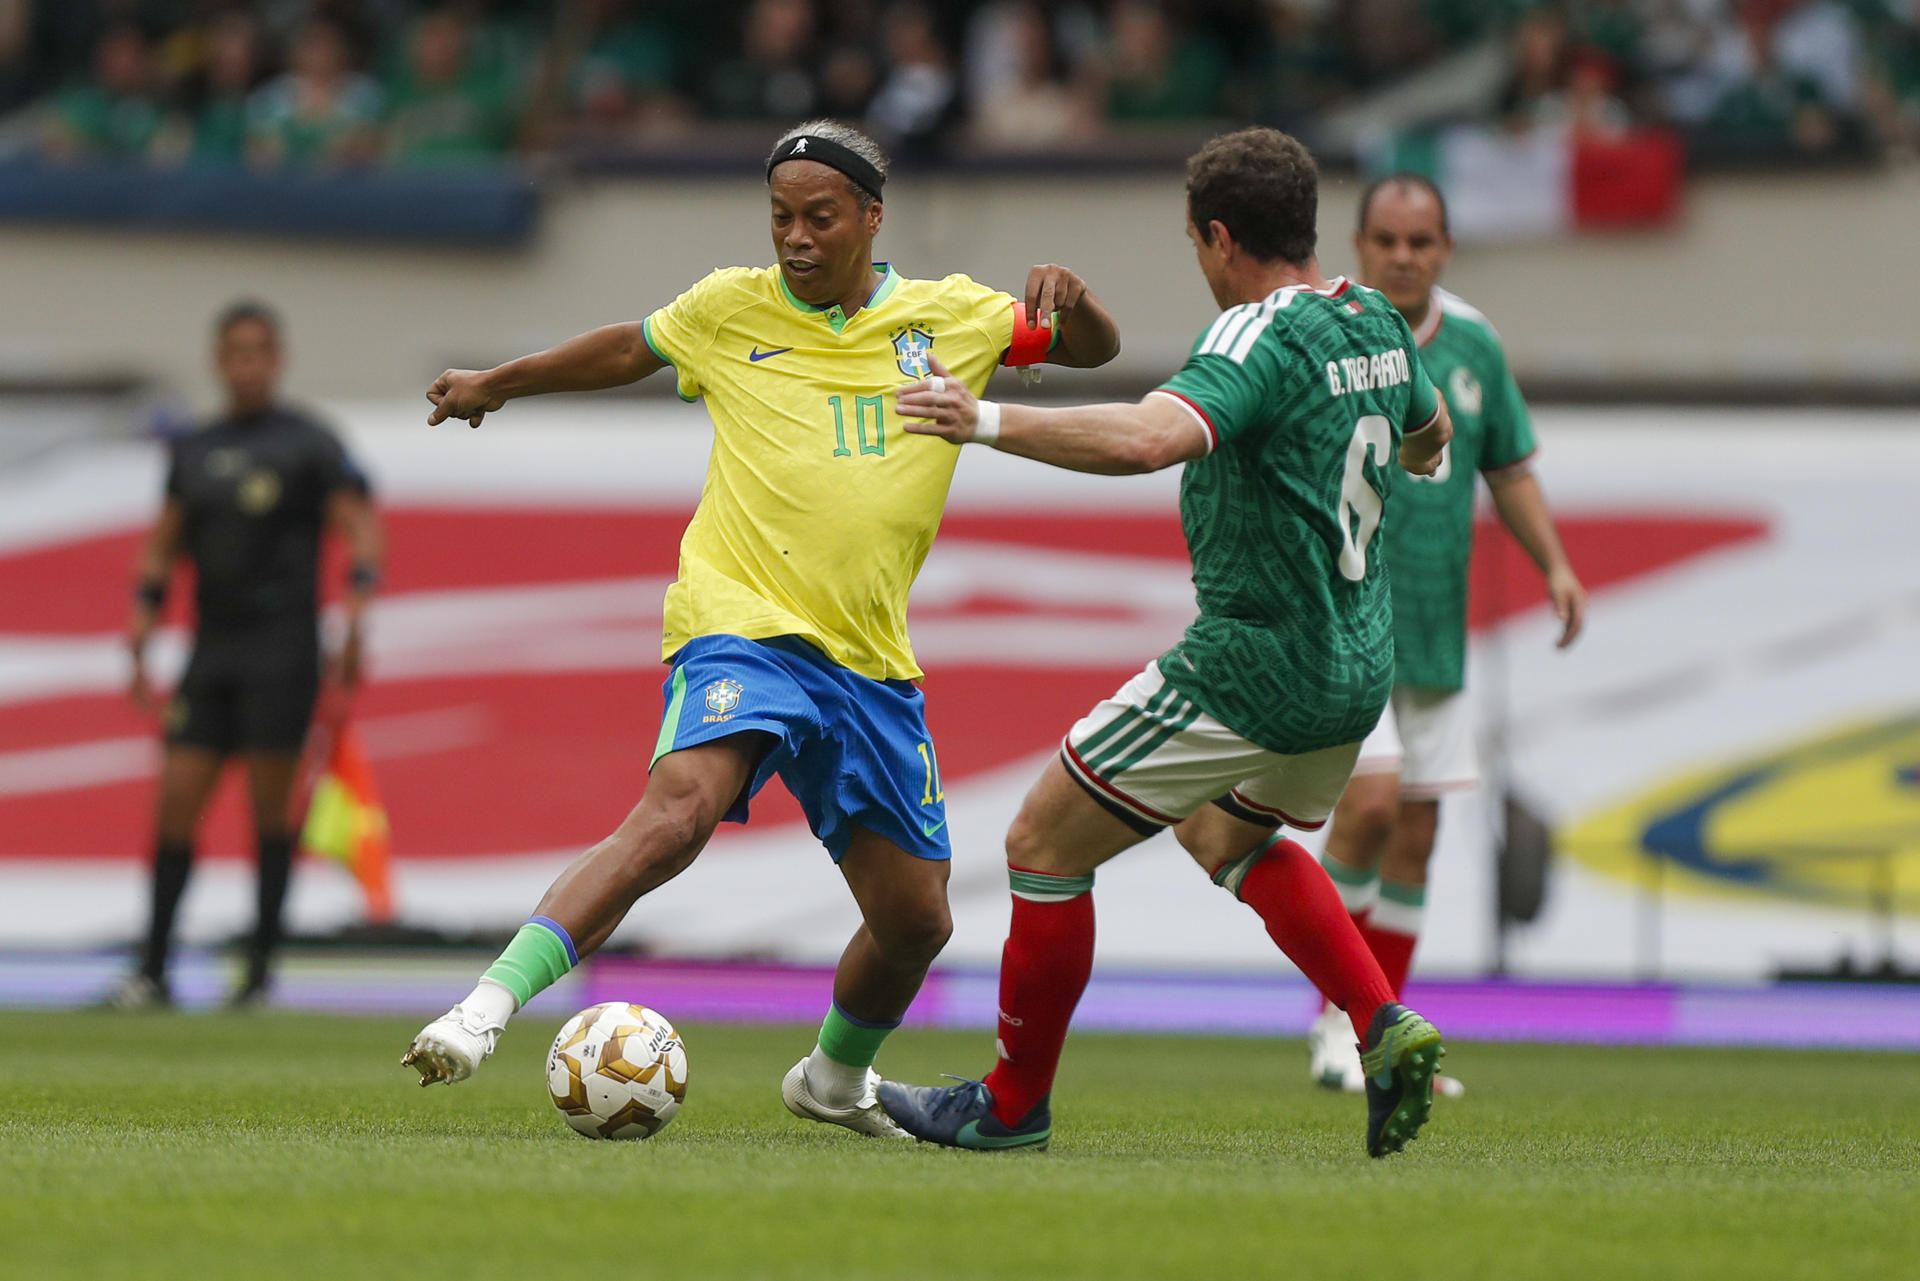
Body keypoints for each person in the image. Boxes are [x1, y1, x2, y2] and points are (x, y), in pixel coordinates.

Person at [401, 119, 1121, 1141]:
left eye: (818, 217)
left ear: (872, 217)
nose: (795, 236)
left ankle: (832, 1079)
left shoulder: (950, 316)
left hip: (869, 660)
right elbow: (625, 348)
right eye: (780, 216)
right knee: (680, 811)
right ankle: (485, 1009)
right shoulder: (728, 307)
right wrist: (496, 383)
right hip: (740, 623)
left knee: (917, 920)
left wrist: (1076, 300)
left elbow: (1096, 351)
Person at [876, 127, 1453, 1158]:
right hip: (1358, 667)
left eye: (1196, 244)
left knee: (1043, 845)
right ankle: (1382, 1021)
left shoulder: (1251, 337)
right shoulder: (1373, 317)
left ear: (1220, 237)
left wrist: (985, 422)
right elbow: (1432, 429)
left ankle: (1012, 1107)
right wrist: (1405, 453)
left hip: (1254, 663)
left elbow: (1151, 438)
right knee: (1222, 833)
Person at [1299, 173, 1587, 1095]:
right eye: (1386, 240)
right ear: (1359, 245)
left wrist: (1555, 565)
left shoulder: (1471, 344)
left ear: (1446, 249)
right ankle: (1334, 1023)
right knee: (1372, 809)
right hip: (1348, 621)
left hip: (1434, 628)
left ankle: (1389, 1043)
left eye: (1420, 242)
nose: (1403, 257)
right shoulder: (1327, 336)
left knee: (1418, 834)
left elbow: (1508, 465)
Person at [111, 301, 381, 1010]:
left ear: (277, 358)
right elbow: (163, 542)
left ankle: (258, 973)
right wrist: (142, 620)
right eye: (236, 352)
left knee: (270, 813)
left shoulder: (309, 444)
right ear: (219, 360)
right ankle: (153, 970)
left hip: (282, 652)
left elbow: (359, 530)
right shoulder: (194, 449)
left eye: (260, 351)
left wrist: (355, 617)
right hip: (212, 651)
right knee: (175, 803)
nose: (248, 365)